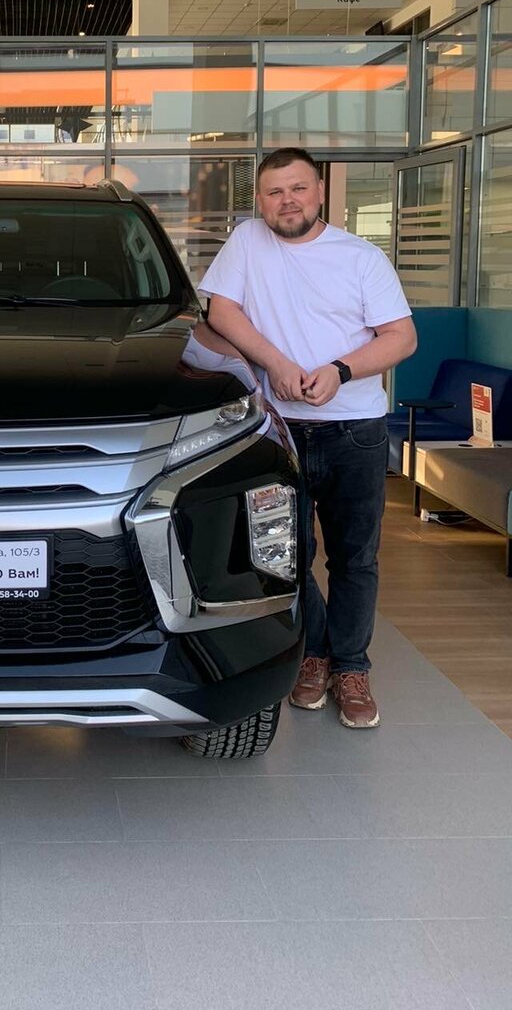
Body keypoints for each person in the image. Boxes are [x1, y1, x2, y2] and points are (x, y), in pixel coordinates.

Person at [198, 148, 416, 728]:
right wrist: (276, 364)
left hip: (355, 430)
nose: (286, 201)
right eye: (274, 192)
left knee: (354, 558)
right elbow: (222, 312)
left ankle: (352, 667)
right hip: (276, 431)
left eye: (297, 188)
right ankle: (313, 654)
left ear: (319, 191)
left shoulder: (361, 257)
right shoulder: (247, 242)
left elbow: (401, 337)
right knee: (283, 555)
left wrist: (340, 371)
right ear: (260, 200)